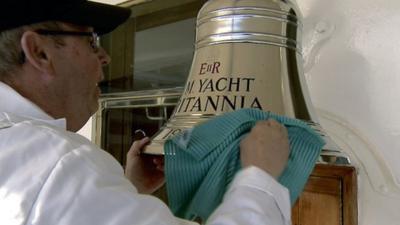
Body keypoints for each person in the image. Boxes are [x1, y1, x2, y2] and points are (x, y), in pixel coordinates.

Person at [0, 0, 291, 224]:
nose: (105, 57)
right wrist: (260, 176)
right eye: (91, 41)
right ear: (39, 52)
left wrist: (127, 190)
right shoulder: (58, 164)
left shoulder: (26, 154)